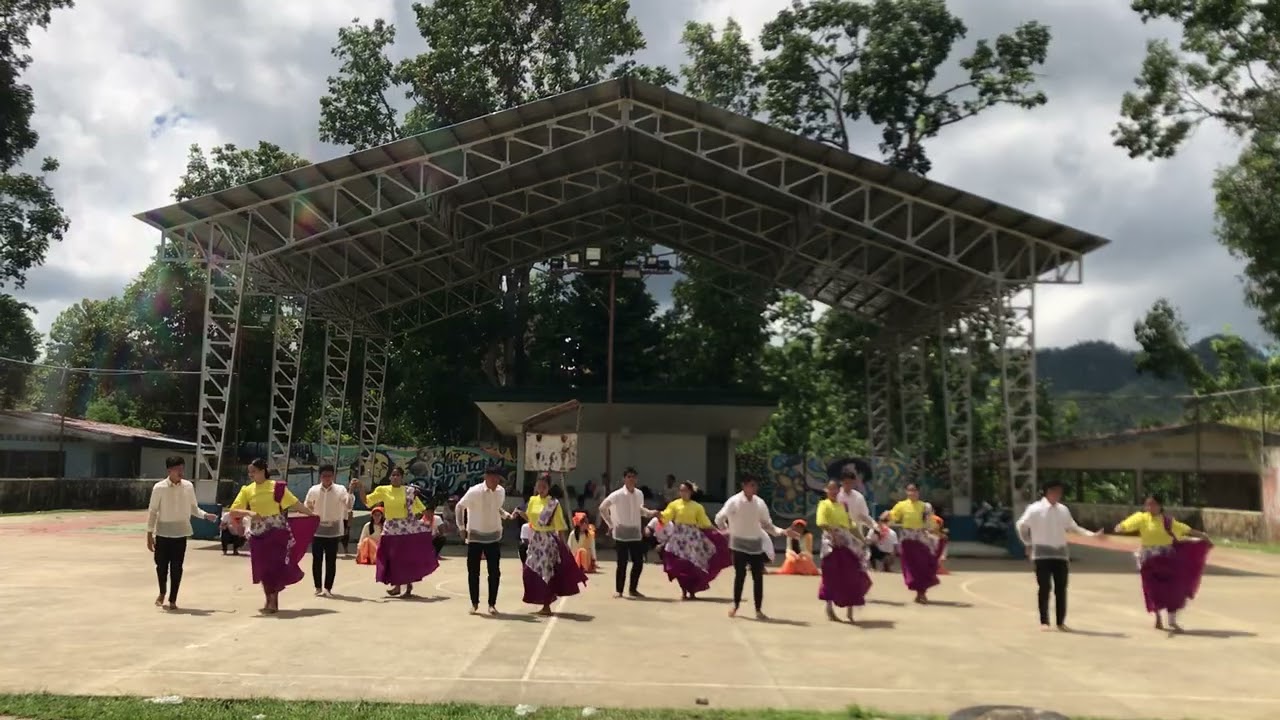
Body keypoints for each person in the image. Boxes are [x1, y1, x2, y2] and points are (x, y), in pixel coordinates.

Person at [228, 458, 318, 614]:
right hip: (257, 533)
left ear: (263, 471)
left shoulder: (277, 487)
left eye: (254, 472)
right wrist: (250, 513)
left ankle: (273, 601)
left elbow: (295, 503)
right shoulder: (247, 490)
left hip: (277, 531)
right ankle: (269, 599)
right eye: (250, 472)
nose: (251, 475)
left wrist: (311, 515)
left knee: (275, 566)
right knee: (262, 568)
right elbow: (233, 511)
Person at [1112, 493, 1213, 632]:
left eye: (1153, 504)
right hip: (1148, 559)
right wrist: (1121, 527)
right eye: (1148, 504)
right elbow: (1126, 524)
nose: (1150, 507)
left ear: (1160, 506)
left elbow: (1185, 529)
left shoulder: (1167, 521)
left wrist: (1202, 535)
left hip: (1166, 557)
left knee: (1173, 589)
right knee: (1152, 589)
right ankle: (1158, 617)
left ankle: (1172, 620)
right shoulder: (1141, 518)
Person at [1014, 479, 1104, 631]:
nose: (1059, 495)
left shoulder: (1063, 510)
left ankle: (1061, 621)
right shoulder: (1035, 509)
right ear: (1048, 491)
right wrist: (1028, 543)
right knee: (1044, 587)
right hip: (1042, 554)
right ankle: (1044, 621)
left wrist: (1092, 535)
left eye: (1060, 492)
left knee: (1061, 589)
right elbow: (1021, 525)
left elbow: (1074, 527)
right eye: (1056, 491)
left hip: (1060, 554)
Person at [351, 467, 440, 598]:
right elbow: (367, 501)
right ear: (390, 477)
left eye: (398, 475)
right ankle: (397, 585)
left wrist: (424, 523)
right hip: (390, 528)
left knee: (406, 557)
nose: (395, 477)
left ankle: (408, 584)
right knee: (390, 556)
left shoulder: (409, 491)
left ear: (402, 477)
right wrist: (361, 488)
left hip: (406, 528)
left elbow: (421, 510)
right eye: (393, 475)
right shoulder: (383, 490)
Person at [715, 475, 794, 619]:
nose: (754, 488)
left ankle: (758, 610)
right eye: (751, 485)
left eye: (755, 485)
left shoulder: (759, 503)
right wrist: (726, 530)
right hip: (738, 544)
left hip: (755, 544)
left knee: (758, 577)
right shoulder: (734, 501)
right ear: (744, 486)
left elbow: (767, 524)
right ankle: (736, 604)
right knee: (740, 575)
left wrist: (782, 531)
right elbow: (719, 517)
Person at [145, 456, 218, 610]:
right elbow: (153, 511)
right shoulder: (159, 488)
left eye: (182, 468)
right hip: (163, 533)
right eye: (177, 469)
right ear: (169, 470)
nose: (180, 472)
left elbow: (193, 508)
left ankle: (173, 599)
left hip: (181, 532)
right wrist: (149, 533)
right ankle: (162, 591)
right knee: (161, 566)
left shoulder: (188, 486)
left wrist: (205, 515)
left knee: (177, 567)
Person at [523, 474, 588, 615]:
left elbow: (560, 526)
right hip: (535, 540)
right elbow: (530, 518)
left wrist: (563, 545)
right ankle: (537, 598)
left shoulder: (553, 503)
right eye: (539, 486)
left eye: (544, 486)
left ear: (548, 487)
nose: (541, 489)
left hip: (547, 541)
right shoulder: (533, 500)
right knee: (529, 571)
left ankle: (546, 604)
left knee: (546, 573)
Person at [454, 465, 511, 615]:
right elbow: (459, 507)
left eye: (497, 478)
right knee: (473, 572)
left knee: (494, 572)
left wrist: (506, 515)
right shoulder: (474, 492)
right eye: (491, 477)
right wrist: (461, 527)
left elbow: (496, 508)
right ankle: (474, 603)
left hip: (493, 535)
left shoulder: (501, 491)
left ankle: (492, 604)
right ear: (485, 477)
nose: (494, 481)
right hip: (475, 536)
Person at [598, 467, 662, 598]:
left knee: (638, 562)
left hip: (635, 533)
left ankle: (633, 589)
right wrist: (611, 524)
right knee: (622, 563)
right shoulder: (617, 495)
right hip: (621, 533)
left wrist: (651, 513)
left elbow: (640, 510)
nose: (631, 479)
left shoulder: (639, 494)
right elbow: (602, 508)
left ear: (636, 479)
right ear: (624, 479)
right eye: (629, 477)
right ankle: (619, 590)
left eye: (633, 477)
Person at [659, 481, 730, 600]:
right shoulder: (674, 504)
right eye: (681, 490)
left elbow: (704, 522)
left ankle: (691, 590)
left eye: (685, 491)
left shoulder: (697, 506)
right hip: (678, 538)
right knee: (679, 564)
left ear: (690, 492)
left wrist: (717, 532)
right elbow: (666, 517)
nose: (683, 493)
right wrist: (657, 519)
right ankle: (683, 590)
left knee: (692, 565)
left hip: (692, 538)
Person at [816, 480, 873, 623]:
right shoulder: (824, 505)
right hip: (831, 542)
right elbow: (821, 522)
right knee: (831, 575)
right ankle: (829, 608)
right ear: (826, 490)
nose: (833, 491)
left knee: (852, 572)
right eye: (831, 489)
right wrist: (834, 535)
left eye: (835, 489)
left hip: (846, 541)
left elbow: (850, 525)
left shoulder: (843, 505)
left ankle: (850, 610)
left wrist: (861, 538)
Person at [887, 482, 946, 604]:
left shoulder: (925, 506)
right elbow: (893, 517)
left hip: (921, 539)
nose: (911, 493)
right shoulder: (901, 505)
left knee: (923, 566)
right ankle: (919, 592)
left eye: (914, 490)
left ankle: (922, 592)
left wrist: (937, 533)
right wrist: (887, 517)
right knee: (911, 568)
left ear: (918, 492)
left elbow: (931, 522)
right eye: (909, 490)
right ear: (906, 492)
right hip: (907, 540)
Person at [305, 464, 354, 598]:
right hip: (317, 529)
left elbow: (348, 505)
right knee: (317, 559)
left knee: (331, 560)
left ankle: (328, 587)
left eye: (329, 476)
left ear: (333, 476)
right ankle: (318, 586)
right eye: (324, 476)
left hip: (333, 530)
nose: (327, 478)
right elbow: (307, 506)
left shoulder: (340, 489)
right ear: (320, 476)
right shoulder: (313, 490)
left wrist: (350, 491)